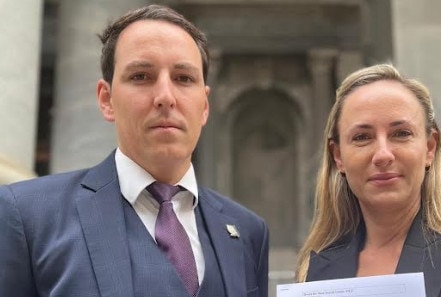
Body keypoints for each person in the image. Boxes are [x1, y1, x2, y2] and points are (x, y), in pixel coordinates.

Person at [0, 4, 268, 297]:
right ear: (106, 99)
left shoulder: (248, 232)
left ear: (204, 106)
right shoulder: (27, 216)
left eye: (183, 78)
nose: (165, 97)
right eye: (141, 76)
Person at [296, 64, 441, 296]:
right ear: (338, 156)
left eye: (401, 134)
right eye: (362, 137)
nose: (383, 154)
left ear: (429, 147)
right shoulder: (315, 272)